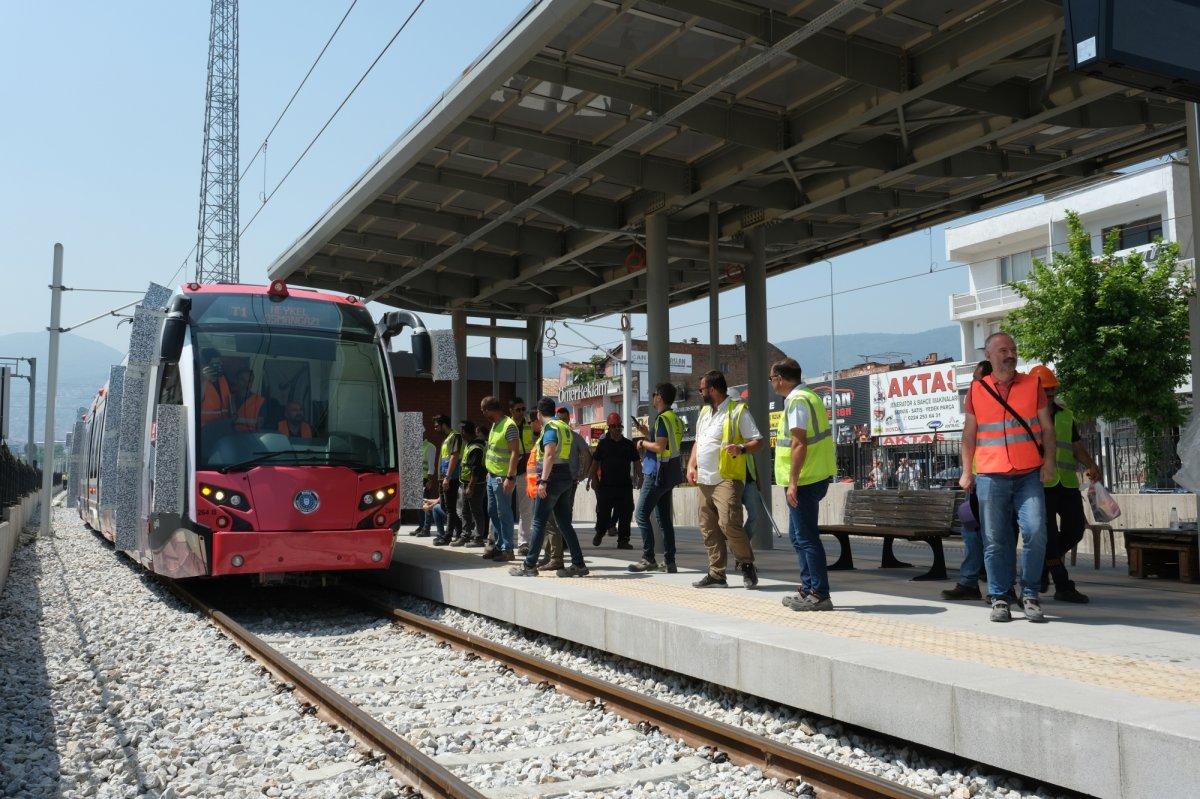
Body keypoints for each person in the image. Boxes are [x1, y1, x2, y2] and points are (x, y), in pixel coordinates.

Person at [960, 332, 1057, 623]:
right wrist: (967, 470)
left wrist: (1049, 462)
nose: (1010, 354)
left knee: (1036, 530)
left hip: (1028, 473)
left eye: (1013, 349)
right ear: (989, 355)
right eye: (1002, 350)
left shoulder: (1032, 384)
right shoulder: (977, 390)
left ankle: (1030, 594)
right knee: (994, 540)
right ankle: (1000, 597)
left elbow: (1047, 429)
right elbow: (969, 434)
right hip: (991, 475)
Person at [687, 370, 765, 589]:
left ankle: (747, 564)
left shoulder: (737, 411)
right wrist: (691, 464)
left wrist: (740, 448)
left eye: (701, 389)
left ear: (712, 389)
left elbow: (758, 441)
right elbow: (698, 442)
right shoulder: (704, 413)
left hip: (727, 478)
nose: (700, 392)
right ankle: (716, 574)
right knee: (708, 528)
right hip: (704, 480)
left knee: (729, 523)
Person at [772, 358, 838, 611]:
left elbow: (799, 443)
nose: (772, 384)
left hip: (805, 479)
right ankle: (809, 588)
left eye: (772, 378)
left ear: (780, 378)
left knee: (807, 538)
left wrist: (792, 482)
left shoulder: (798, 401)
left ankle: (820, 593)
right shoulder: (809, 396)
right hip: (813, 476)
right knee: (799, 537)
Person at [1031, 364, 1099, 604]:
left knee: (1075, 529)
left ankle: (1042, 566)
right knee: (1048, 537)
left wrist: (1091, 464)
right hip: (1040, 485)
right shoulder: (1027, 417)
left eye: (1051, 390)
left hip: (1067, 484)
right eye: (1044, 390)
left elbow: (1076, 446)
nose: (1048, 394)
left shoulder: (1066, 415)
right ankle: (1063, 584)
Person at [511, 397, 589, 577]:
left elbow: (549, 454)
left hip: (552, 478)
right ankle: (578, 564)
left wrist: (543, 481)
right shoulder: (564, 427)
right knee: (564, 523)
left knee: (539, 521)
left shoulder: (551, 428)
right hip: (565, 476)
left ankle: (529, 565)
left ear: (538, 413)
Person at [943, 360, 991, 601]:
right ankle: (971, 581)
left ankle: (998, 586)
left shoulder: (991, 408)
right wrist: (967, 473)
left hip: (992, 480)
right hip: (976, 482)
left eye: (976, 379)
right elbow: (968, 441)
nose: (973, 383)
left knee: (993, 534)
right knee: (972, 531)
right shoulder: (977, 405)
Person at [629, 383, 685, 573]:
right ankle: (670, 562)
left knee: (641, 515)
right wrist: (648, 433)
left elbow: (660, 447)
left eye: (653, 394)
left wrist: (643, 442)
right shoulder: (674, 419)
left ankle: (648, 558)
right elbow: (667, 443)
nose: (652, 397)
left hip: (656, 473)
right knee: (663, 519)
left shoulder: (662, 419)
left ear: (659, 397)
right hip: (669, 474)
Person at [589, 412, 639, 549]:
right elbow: (595, 463)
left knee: (626, 513)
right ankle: (600, 532)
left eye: (619, 426)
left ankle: (623, 540)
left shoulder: (628, 444)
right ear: (609, 428)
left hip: (624, 486)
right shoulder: (603, 444)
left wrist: (640, 477)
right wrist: (592, 479)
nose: (617, 428)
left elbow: (637, 462)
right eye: (614, 426)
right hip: (606, 486)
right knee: (603, 513)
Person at [481, 396, 521, 561]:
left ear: (490, 410)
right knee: (493, 511)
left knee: (504, 512)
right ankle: (499, 545)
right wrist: (489, 471)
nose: (483, 414)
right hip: (492, 475)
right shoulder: (494, 425)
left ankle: (507, 549)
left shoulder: (509, 426)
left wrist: (510, 477)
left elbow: (514, 452)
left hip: (503, 477)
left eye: (484, 411)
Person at [454, 421, 489, 548]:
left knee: (476, 511)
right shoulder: (470, 445)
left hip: (475, 484)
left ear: (464, 431)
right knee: (465, 511)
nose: (460, 433)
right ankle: (465, 536)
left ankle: (478, 538)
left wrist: (471, 487)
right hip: (465, 483)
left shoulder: (476, 448)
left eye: (461, 430)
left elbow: (476, 469)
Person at [432, 415, 464, 546]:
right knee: (445, 507)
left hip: (450, 478)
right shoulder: (446, 439)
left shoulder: (455, 436)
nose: (435, 428)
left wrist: (447, 477)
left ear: (443, 424)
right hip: (443, 478)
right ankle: (461, 529)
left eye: (436, 426)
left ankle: (448, 536)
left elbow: (454, 457)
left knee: (450, 508)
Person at [509, 397, 534, 554]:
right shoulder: (506, 425)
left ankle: (523, 543)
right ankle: (494, 539)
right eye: (518, 409)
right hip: (509, 472)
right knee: (502, 508)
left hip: (525, 472)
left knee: (526, 510)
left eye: (523, 409)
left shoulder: (529, 426)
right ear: (511, 410)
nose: (521, 412)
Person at [199, 349, 233, 427]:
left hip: (222, 428)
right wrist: (203, 380)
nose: (220, 365)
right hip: (204, 432)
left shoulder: (223, 379)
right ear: (206, 366)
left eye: (220, 362)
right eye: (216, 363)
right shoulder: (197, 382)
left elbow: (229, 402)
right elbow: (196, 401)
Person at [414, 431, 437, 537]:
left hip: (425, 479)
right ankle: (421, 525)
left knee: (425, 504)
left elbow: (431, 466)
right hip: (416, 479)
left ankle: (426, 528)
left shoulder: (430, 447)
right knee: (418, 505)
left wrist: (430, 480)